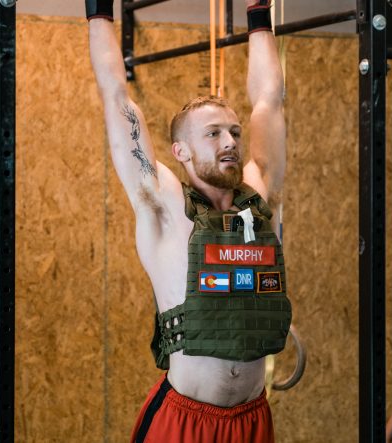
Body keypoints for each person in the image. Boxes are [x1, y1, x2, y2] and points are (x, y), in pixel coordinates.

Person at [86, 0, 291, 441]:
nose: (230, 141)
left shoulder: (259, 199)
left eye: (234, 132)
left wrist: (258, 13)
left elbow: (269, 99)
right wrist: (99, 12)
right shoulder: (164, 205)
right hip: (185, 420)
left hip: (253, 418)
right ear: (180, 152)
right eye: (213, 133)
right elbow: (115, 95)